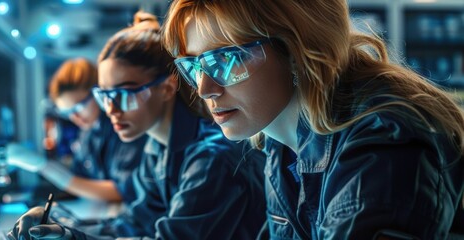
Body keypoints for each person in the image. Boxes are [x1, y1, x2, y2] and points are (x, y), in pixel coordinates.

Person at [160, 0, 464, 239]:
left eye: (228, 59)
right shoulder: (280, 145)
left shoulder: (385, 139)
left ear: (296, 50)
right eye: (194, 66)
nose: (204, 88)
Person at [8, 11, 267, 240]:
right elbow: (130, 225)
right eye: (105, 96)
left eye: (123, 94)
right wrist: (61, 229)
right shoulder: (157, 150)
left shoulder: (212, 158)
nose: (112, 111)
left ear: (166, 88)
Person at [43, 57, 148, 202]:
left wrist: (45, 167)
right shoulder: (87, 133)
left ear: (98, 93)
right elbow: (81, 175)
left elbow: (123, 191)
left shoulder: (123, 127)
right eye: (68, 113)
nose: (75, 117)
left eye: (79, 107)